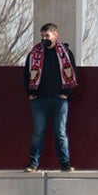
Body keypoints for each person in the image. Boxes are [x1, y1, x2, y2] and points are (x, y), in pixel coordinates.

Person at [24, 22, 77, 172]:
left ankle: (65, 163)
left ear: (55, 35)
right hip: (39, 99)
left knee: (60, 132)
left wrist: (66, 94)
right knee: (38, 132)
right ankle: (33, 164)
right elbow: (26, 75)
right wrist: (31, 94)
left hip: (59, 100)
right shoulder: (34, 53)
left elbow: (72, 73)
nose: (44, 38)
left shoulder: (65, 53)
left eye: (47, 35)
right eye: (42, 36)